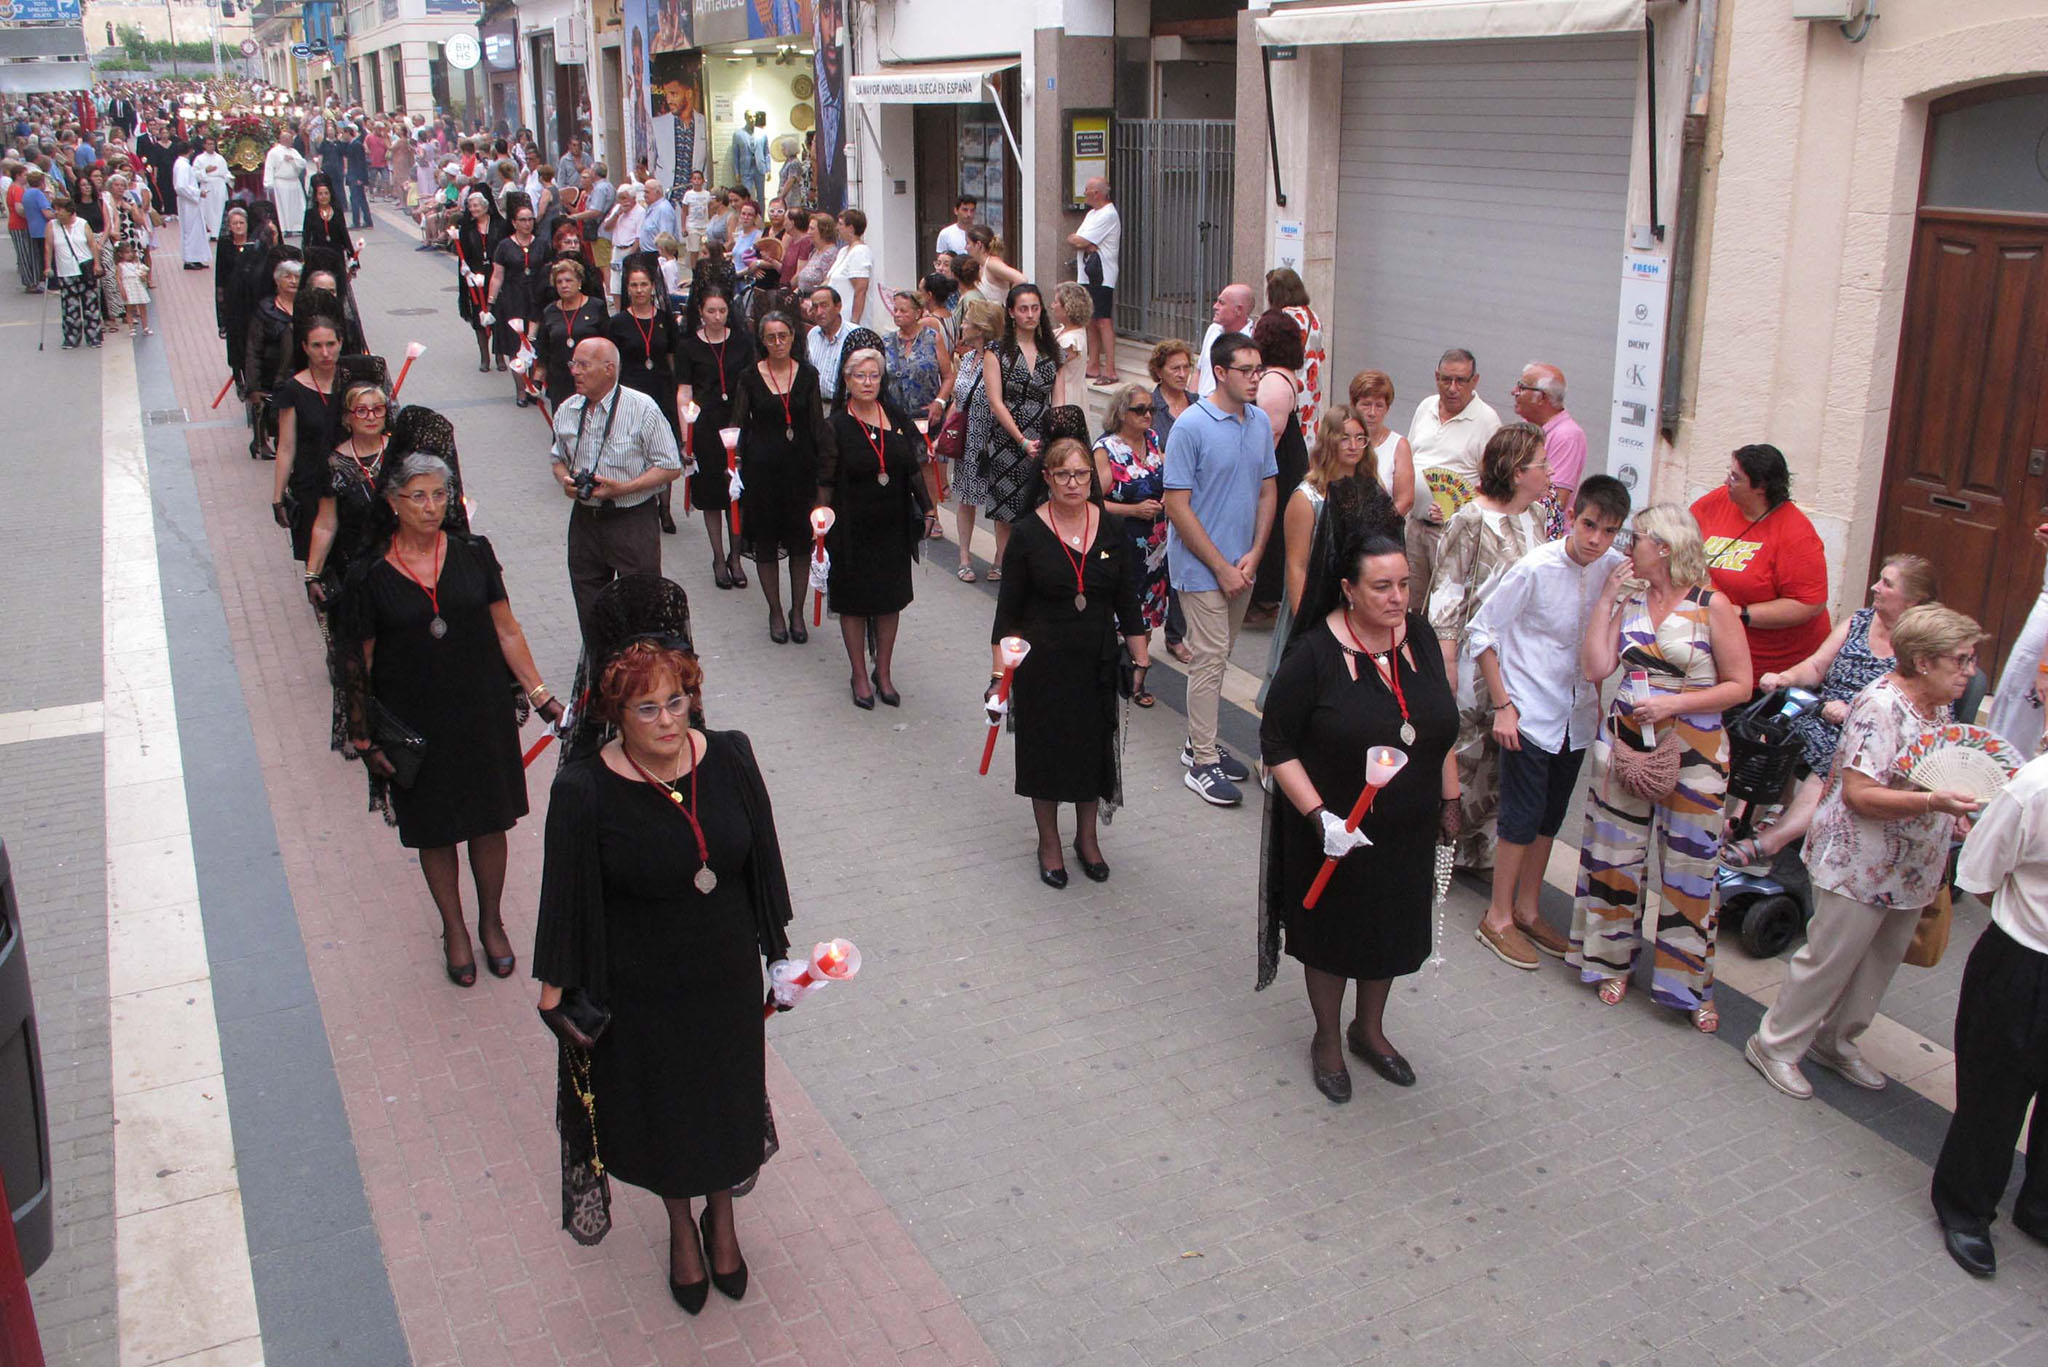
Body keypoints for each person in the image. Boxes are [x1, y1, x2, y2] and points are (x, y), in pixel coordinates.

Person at [532, 580, 792, 1307]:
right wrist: (555, 990)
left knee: (727, 1101)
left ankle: (725, 1214)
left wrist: (779, 957)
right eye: (647, 707)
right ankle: (683, 1226)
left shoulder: (733, 755)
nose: (668, 720)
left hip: (723, 977)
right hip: (643, 987)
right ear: (614, 710)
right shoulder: (585, 790)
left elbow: (763, 864)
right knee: (669, 1113)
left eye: (677, 700)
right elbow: (565, 903)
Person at [335, 453, 563, 986]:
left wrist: (541, 693)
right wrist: (364, 732)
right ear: (392, 503)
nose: (431, 506)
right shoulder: (369, 575)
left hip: (481, 712)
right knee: (434, 829)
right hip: (415, 725)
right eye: (418, 496)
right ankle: (454, 927)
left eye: (440, 494)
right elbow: (357, 661)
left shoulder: (474, 554)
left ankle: (491, 920)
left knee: (490, 820)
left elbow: (506, 630)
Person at [1259, 523, 1461, 1103]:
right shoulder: (1314, 654)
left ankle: (1369, 1030)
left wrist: (1449, 799)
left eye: (1403, 584)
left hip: (1406, 829)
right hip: (1336, 834)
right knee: (1333, 937)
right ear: (1348, 589)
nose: (1397, 598)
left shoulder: (1417, 636)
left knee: (1391, 932)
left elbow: (1438, 726)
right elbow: (1277, 743)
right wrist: (1321, 817)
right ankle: (1326, 1037)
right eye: (1381, 587)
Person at [1569, 504, 1753, 1031]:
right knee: (1614, 853)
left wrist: (1674, 705)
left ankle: (1688, 984)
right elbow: (1596, 667)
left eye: (1638, 538)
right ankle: (1610, 962)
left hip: (1694, 745)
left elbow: (1740, 684)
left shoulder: (1712, 606)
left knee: (1690, 867)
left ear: (1666, 547)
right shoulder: (1628, 597)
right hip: (1627, 740)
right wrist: (1606, 600)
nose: (1629, 545)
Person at [1465, 476, 1633, 969]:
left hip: (1576, 717)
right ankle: (1496, 917)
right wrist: (1503, 706)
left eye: (1608, 530)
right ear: (1573, 516)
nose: (1596, 539)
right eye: (1588, 525)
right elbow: (1483, 631)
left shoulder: (1610, 572)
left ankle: (1528, 908)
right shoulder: (1535, 567)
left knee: (1549, 818)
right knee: (1520, 815)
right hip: (1531, 710)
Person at [988, 434, 1151, 882]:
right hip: (1043, 665)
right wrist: (998, 677)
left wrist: (1140, 659)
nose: (1074, 483)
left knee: (1091, 751)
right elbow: (1008, 616)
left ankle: (1087, 837)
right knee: (1046, 753)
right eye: (1064, 475)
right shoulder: (1026, 534)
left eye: (1082, 474)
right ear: (1047, 478)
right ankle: (1049, 841)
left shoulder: (1110, 529)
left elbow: (1127, 601)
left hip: (1095, 661)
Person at [1732, 553, 1940, 868]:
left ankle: (1770, 841)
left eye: (1886, 583)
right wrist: (1786, 677)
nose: (1875, 587)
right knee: (1774, 729)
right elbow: (1817, 665)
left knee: (1832, 756)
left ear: (1913, 601)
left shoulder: (1919, 646)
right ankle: (1739, 820)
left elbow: (1907, 698)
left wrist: (1853, 710)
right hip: (1820, 709)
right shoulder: (1859, 621)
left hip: (1868, 726)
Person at [1933, 742, 2048, 1279]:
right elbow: (1979, 876)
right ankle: (1966, 1208)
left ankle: (2041, 1209)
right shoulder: (2034, 790)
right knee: (1993, 1097)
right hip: (2024, 961)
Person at [1427, 422, 1553, 873]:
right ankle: (1440, 841)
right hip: (1472, 658)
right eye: (1542, 464)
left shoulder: (1537, 516)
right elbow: (1447, 592)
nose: (1550, 472)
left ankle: (1481, 849)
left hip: (1520, 661)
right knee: (1465, 752)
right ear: (1517, 471)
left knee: (1503, 760)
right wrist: (1445, 663)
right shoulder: (1471, 519)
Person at [1165, 329, 1278, 807]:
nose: (1256, 379)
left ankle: (1199, 742)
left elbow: (1268, 489)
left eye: (1259, 370)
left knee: (1221, 656)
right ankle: (1203, 762)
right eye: (1247, 371)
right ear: (1220, 372)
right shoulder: (1191, 426)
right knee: (1210, 661)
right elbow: (1176, 505)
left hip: (1242, 567)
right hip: (1199, 569)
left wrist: (1254, 552)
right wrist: (1221, 566)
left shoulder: (1258, 423)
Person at [1258, 404, 1399, 709]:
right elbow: (1296, 565)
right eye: (1344, 437)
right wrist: (1306, 620)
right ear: (1329, 441)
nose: (1353, 446)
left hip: (1361, 602)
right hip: (1318, 601)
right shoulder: (1306, 496)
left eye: (1360, 438)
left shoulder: (1374, 490)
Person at [551, 338, 685, 640]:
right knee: (589, 605)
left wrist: (624, 488)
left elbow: (670, 466)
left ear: (609, 369)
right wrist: (566, 481)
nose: (575, 372)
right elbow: (557, 459)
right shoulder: (568, 409)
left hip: (632, 519)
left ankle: (641, 672)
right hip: (586, 521)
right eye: (573, 364)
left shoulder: (642, 408)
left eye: (583, 365)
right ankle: (600, 668)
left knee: (642, 605)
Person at [824, 341, 929, 708]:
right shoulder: (836, 425)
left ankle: (883, 672)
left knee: (889, 600)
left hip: (892, 526)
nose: (868, 382)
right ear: (847, 380)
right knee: (853, 602)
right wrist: (819, 527)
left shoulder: (894, 416)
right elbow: (824, 480)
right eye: (860, 376)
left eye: (874, 376)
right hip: (851, 527)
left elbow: (913, 467)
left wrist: (928, 508)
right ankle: (858, 673)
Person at [1691, 443, 1831, 684]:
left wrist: (1741, 613)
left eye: (1735, 477)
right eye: (1729, 472)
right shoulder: (1719, 501)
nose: (1726, 481)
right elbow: (1684, 536)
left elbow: (1809, 604)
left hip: (1773, 669)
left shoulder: (1796, 534)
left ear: (1760, 487)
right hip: (1718, 651)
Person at [730, 309, 829, 638]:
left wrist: (824, 473)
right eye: (770, 337)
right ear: (762, 341)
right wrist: (734, 464)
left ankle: (797, 611)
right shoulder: (749, 376)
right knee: (767, 545)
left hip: (800, 473)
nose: (777, 342)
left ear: (792, 337)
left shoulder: (808, 375)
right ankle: (775, 611)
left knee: (801, 544)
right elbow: (739, 425)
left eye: (782, 336)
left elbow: (817, 425)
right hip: (763, 475)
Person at [972, 284, 1067, 574]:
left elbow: (1059, 401)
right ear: (1011, 312)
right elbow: (995, 402)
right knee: (1006, 508)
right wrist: (1022, 440)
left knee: (1041, 504)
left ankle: (1035, 565)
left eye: (1035, 308)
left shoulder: (1052, 351)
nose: (1030, 314)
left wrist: (1057, 438)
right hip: (1007, 438)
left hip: (1043, 436)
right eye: (1023, 309)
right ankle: (1007, 564)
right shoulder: (996, 350)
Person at [1091, 386, 1171, 708]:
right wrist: (1133, 511)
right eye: (1140, 410)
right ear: (1122, 413)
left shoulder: (1152, 441)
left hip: (1154, 550)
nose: (1148, 415)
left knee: (1147, 616)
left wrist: (1167, 500)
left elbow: (1168, 477)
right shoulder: (1106, 449)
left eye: (1151, 409)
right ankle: (1108, 675)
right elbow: (1092, 500)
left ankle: (1137, 680)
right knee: (1115, 614)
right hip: (1120, 543)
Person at [677, 283, 757, 585]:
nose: (717, 316)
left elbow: (752, 382)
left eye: (722, 310)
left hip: (738, 422)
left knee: (737, 491)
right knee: (712, 494)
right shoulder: (688, 347)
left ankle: (736, 557)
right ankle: (717, 555)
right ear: (700, 312)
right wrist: (687, 436)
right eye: (711, 311)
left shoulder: (742, 342)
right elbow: (684, 392)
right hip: (707, 426)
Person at [1404, 348, 1502, 594]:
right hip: (1413, 524)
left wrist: (1456, 507)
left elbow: (1495, 486)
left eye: (1461, 380)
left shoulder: (1487, 421)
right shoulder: (1426, 406)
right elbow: (1410, 456)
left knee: (1444, 602)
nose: (1452, 387)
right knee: (1410, 602)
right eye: (1446, 379)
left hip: (1453, 533)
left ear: (1475, 381)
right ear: (1436, 376)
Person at [607, 258, 690, 538]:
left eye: (644, 284)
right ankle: (642, 503)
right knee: (637, 449)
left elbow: (671, 357)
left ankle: (665, 507)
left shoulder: (665, 319)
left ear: (653, 286)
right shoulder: (618, 322)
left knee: (663, 448)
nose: (639, 290)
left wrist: (680, 391)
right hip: (631, 391)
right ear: (627, 288)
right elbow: (614, 363)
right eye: (634, 285)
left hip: (661, 390)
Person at [304, 381, 395, 624]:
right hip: (359, 565)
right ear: (347, 418)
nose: (371, 417)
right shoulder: (334, 464)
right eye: (362, 411)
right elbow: (326, 524)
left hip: (402, 561)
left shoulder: (400, 454)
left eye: (378, 409)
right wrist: (313, 573)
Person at [1247, 309, 1311, 622]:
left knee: (1270, 528)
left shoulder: (1273, 380)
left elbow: (1270, 433)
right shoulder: (1283, 374)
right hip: (1285, 458)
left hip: (1278, 463)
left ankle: (1266, 599)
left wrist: (1253, 473)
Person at [934, 297, 1003, 583]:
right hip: (968, 439)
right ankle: (964, 558)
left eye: (966, 321)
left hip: (993, 437)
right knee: (966, 499)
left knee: (1000, 502)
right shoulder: (967, 358)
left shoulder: (999, 357)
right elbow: (958, 399)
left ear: (981, 327)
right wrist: (943, 434)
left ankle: (1000, 559)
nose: (961, 324)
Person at [272, 314, 349, 561]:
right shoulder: (293, 390)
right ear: (305, 347)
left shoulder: (353, 383)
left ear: (341, 343)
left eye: (331, 344)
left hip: (350, 486)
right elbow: (286, 447)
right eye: (317, 345)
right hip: (311, 487)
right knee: (319, 565)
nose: (325, 353)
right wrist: (278, 497)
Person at [486, 199, 548, 407]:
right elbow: (497, 276)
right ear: (514, 223)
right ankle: (520, 390)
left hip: (537, 299)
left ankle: (533, 385)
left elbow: (549, 271)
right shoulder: (504, 246)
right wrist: (490, 303)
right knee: (516, 346)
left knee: (535, 344)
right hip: (513, 300)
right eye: (522, 220)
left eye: (530, 219)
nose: (527, 223)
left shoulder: (541, 243)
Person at [536, 257, 610, 410]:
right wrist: (537, 380)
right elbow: (543, 349)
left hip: (591, 378)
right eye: (559, 282)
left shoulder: (596, 307)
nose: (564, 285)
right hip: (560, 379)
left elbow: (608, 343)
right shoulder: (549, 311)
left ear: (579, 282)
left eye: (569, 281)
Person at [1068, 177, 1121, 382]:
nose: (1084, 192)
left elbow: (1080, 239)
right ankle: (1093, 364)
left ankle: (1110, 369)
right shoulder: (1092, 214)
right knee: (1090, 320)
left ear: (1097, 193)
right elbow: (1076, 240)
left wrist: (1083, 242)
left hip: (1102, 275)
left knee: (1103, 320)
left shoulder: (1108, 214)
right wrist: (1083, 242)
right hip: (1087, 274)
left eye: (1087, 189)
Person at [1266, 269, 1325, 446]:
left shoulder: (1284, 317)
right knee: (1307, 434)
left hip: (1291, 384)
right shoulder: (1313, 316)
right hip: (1311, 385)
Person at [1510, 362, 1586, 501]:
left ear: (1542, 397)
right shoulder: (1528, 427)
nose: (1514, 392)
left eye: (1521, 387)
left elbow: (1555, 502)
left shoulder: (1567, 437)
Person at [1348, 369, 1415, 516]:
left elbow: (1405, 500)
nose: (1372, 412)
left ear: (1387, 408)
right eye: (1366, 404)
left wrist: (1379, 527)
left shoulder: (1399, 445)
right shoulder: (1340, 440)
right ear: (1353, 405)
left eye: (1379, 406)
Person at [454, 190, 507, 372]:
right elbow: (463, 252)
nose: (473, 209)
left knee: (498, 316)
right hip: (475, 276)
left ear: (485, 206)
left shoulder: (499, 225)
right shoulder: (467, 228)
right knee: (479, 317)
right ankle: (484, 357)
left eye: (476, 205)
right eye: (470, 206)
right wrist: (465, 269)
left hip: (496, 274)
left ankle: (500, 355)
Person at [44, 195, 101, 348]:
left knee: (91, 305)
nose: (57, 213)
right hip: (65, 271)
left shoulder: (82, 224)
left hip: (85, 269)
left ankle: (94, 336)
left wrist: (97, 264)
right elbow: (48, 247)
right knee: (70, 307)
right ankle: (71, 337)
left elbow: (92, 245)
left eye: (60, 210)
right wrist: (48, 266)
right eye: (55, 209)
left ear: (69, 211)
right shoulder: (52, 226)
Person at [1194, 284, 1254, 400]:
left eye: (1221, 303)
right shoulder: (1213, 329)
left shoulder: (1253, 338)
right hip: (1202, 406)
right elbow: (1199, 371)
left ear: (1238, 310)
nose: (1215, 306)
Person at [826, 207, 875, 327]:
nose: (837, 228)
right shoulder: (843, 251)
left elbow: (860, 290)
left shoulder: (860, 252)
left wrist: (854, 323)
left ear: (851, 228)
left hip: (848, 322)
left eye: (841, 224)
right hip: (836, 320)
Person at [805, 284, 851, 401]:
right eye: (815, 307)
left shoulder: (854, 335)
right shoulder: (813, 334)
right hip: (816, 403)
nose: (819, 312)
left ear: (838, 307)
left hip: (844, 406)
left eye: (824, 306)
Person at [964, 224, 1023, 305]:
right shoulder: (980, 265)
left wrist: (1009, 304)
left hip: (998, 315)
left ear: (978, 245)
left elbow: (1021, 279)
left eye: (968, 243)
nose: (965, 247)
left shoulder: (992, 263)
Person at [172, 142, 208, 268]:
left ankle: (196, 256)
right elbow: (181, 186)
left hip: (190, 202)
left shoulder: (182, 164)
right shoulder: (183, 166)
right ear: (190, 150)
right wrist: (198, 193)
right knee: (190, 230)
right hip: (188, 203)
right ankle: (189, 259)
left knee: (196, 230)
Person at [264, 132, 307, 233]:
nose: (291, 141)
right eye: (289, 139)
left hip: (294, 182)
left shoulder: (293, 151)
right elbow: (269, 167)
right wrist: (268, 183)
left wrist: (293, 159)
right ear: (283, 140)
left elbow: (302, 163)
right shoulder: (274, 152)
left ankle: (298, 226)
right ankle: (285, 228)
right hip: (281, 183)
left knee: (297, 207)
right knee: (284, 207)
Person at [193, 136, 230, 243]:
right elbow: (194, 174)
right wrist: (205, 170)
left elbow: (226, 172)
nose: (211, 146)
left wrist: (228, 178)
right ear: (204, 145)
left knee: (220, 208)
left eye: (213, 144)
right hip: (207, 185)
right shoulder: (199, 159)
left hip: (219, 186)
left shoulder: (220, 158)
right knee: (207, 209)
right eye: (208, 144)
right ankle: (209, 233)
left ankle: (218, 233)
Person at [114, 239, 150, 337]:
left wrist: (143, 277)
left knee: (142, 307)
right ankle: (131, 328)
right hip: (128, 287)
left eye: (131, 252)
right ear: (120, 254)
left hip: (137, 286)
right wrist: (121, 289)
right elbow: (119, 279)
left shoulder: (136, 264)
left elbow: (142, 276)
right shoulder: (120, 266)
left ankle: (145, 326)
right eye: (127, 253)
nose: (130, 254)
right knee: (129, 308)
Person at [936, 194, 975, 259]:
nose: (969, 214)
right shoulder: (945, 233)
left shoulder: (980, 233)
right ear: (956, 211)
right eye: (965, 210)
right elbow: (941, 260)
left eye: (972, 210)